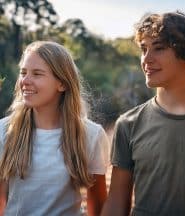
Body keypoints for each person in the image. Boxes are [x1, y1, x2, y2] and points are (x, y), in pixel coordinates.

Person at [101, 11, 185, 216]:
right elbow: (116, 204)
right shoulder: (128, 124)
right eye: (143, 49)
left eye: (159, 48)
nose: (146, 59)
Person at [0, 41, 109, 216]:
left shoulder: (91, 134)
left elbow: (97, 203)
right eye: (23, 73)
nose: (25, 81)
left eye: (37, 74)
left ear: (62, 84)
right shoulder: (4, 130)